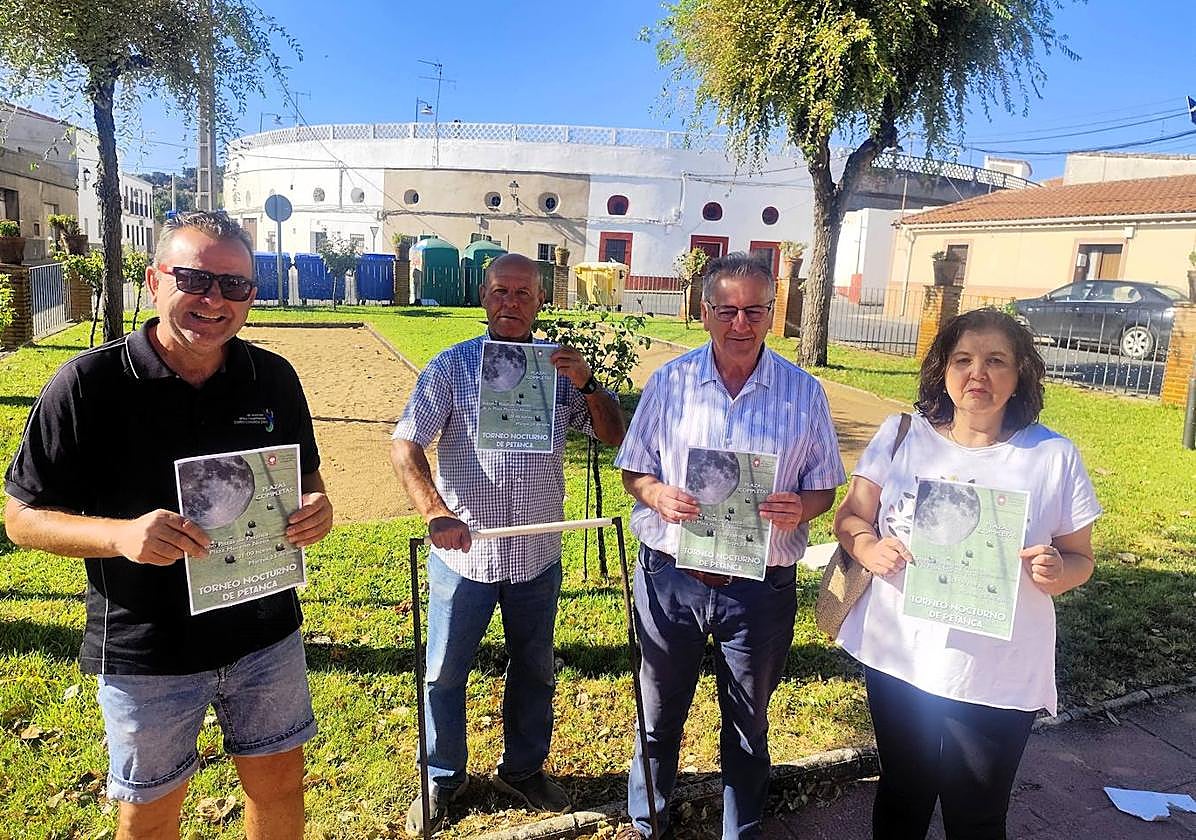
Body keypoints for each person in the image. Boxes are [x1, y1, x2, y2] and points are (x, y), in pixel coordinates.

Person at [4, 211, 334, 840]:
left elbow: (307, 479)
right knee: (150, 814)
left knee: (281, 788)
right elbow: (20, 518)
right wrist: (120, 537)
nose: (214, 300)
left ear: (251, 297)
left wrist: (317, 508)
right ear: (154, 281)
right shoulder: (86, 386)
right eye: (194, 279)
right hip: (147, 649)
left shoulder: (272, 378)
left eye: (234, 286)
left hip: (264, 633)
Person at [832, 308, 1101, 840]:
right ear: (944, 370)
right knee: (903, 792)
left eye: (995, 360)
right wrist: (866, 545)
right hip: (901, 657)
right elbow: (850, 517)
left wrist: (1056, 571)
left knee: (975, 811)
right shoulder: (901, 434)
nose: (978, 373)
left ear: (1020, 371)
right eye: (964, 360)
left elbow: (1080, 558)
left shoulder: (1051, 456)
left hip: (997, 669)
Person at [391, 252, 626, 835]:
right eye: (501, 291)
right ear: (483, 297)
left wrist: (590, 384)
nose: (511, 303)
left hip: (537, 553)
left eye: (524, 294)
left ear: (541, 302)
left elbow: (614, 435)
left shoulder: (560, 368)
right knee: (444, 672)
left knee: (536, 669)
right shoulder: (449, 368)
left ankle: (522, 771)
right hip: (464, 553)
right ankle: (442, 778)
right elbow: (405, 445)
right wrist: (435, 510)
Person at [614, 253, 845, 839]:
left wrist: (804, 505)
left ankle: (739, 830)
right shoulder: (670, 382)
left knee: (748, 724)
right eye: (727, 310)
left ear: (772, 314)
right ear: (704, 312)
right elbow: (633, 471)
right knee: (659, 716)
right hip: (672, 577)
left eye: (754, 310)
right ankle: (647, 823)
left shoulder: (805, 392)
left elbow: (823, 483)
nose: (740, 323)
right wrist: (658, 495)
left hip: (760, 590)